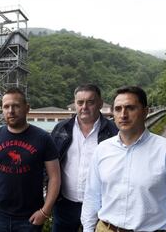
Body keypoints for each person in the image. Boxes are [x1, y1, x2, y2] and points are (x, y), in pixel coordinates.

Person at [81, 86, 166, 232]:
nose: (123, 114)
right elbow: (92, 196)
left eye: (130, 108)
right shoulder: (102, 150)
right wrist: (88, 228)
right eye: (118, 109)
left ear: (145, 111)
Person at [0, 87, 61, 232]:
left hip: (29, 218)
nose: (11, 110)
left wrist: (44, 212)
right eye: (6, 106)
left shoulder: (43, 138)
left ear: (27, 108)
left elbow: (55, 177)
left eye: (16, 105)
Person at [51, 84, 118, 232]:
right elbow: (49, 164)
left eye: (90, 102)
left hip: (102, 205)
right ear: (75, 104)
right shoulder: (61, 129)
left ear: (100, 103)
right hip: (65, 204)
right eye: (80, 102)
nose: (84, 107)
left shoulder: (114, 131)